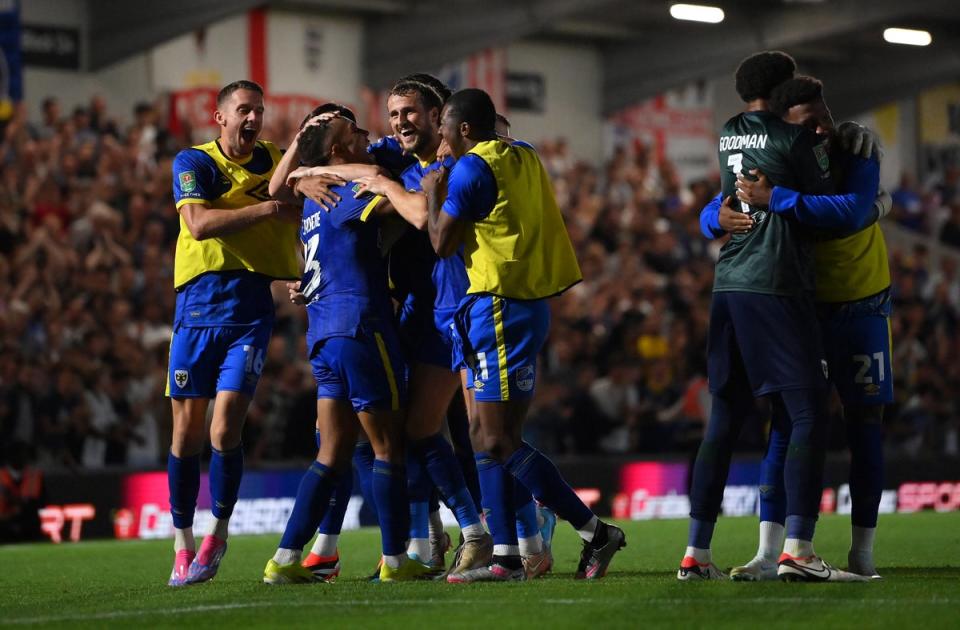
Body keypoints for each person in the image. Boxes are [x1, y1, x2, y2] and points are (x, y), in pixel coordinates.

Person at [425, 88, 626, 582]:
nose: (443, 142)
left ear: (464, 130)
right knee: (484, 436)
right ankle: (508, 558)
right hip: (526, 305)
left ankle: (593, 530)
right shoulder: (526, 154)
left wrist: (434, 188)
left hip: (497, 306)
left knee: (496, 438)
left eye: (447, 131)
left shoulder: (471, 169)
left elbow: (440, 241)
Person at [675, 52, 858, 583]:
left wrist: (714, 216)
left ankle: (696, 553)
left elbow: (724, 197)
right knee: (808, 411)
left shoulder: (729, 133)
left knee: (726, 418)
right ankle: (798, 549)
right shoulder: (791, 140)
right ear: (784, 91)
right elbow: (832, 209)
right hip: (775, 284)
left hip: (728, 285)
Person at [705, 75, 891, 580]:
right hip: (803, 303)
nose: (823, 130)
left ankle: (863, 555)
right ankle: (772, 554)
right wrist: (712, 215)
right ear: (783, 131)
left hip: (863, 301)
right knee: (787, 423)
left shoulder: (855, 150)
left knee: (865, 424)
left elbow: (851, 214)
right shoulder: (775, 158)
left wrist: (780, 200)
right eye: (809, 124)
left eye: (825, 118)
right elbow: (722, 198)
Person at [263, 108, 432, 584]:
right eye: (350, 131)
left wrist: (305, 173)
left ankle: (285, 559)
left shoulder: (313, 201)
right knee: (387, 446)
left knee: (332, 452)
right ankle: (397, 562)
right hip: (361, 324)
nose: (363, 132)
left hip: (322, 335)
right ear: (337, 150)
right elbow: (395, 197)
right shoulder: (342, 189)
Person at [166, 80, 302, 586]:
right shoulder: (193, 162)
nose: (253, 118)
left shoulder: (276, 159)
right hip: (196, 310)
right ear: (219, 116)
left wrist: (301, 265)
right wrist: (269, 210)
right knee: (185, 432)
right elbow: (198, 225)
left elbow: (307, 199)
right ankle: (181, 541)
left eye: (259, 110)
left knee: (224, 430)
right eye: (243, 109)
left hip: (248, 310)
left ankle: (217, 532)